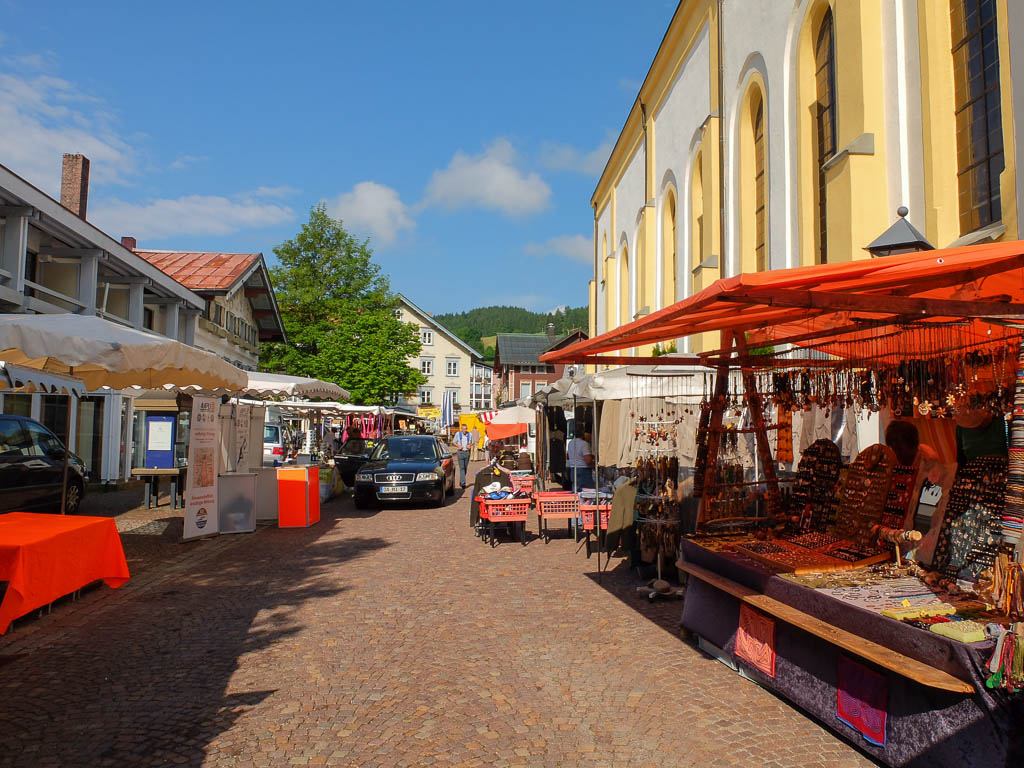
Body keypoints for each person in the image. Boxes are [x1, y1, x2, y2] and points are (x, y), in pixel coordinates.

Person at [884, 419, 955, 565]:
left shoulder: (933, 472)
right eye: (894, 449)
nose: (897, 455)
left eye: (900, 449)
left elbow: (926, 518)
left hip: (918, 544)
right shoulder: (897, 465)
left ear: (912, 447)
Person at [452, 423, 473, 488]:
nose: (465, 430)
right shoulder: (458, 434)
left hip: (467, 453)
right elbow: (453, 442)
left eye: (466, 429)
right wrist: (458, 446)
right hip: (460, 452)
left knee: (465, 468)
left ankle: (461, 481)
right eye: (463, 429)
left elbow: (472, 442)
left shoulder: (470, 434)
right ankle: (463, 483)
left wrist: (470, 445)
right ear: (461, 429)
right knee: (462, 468)